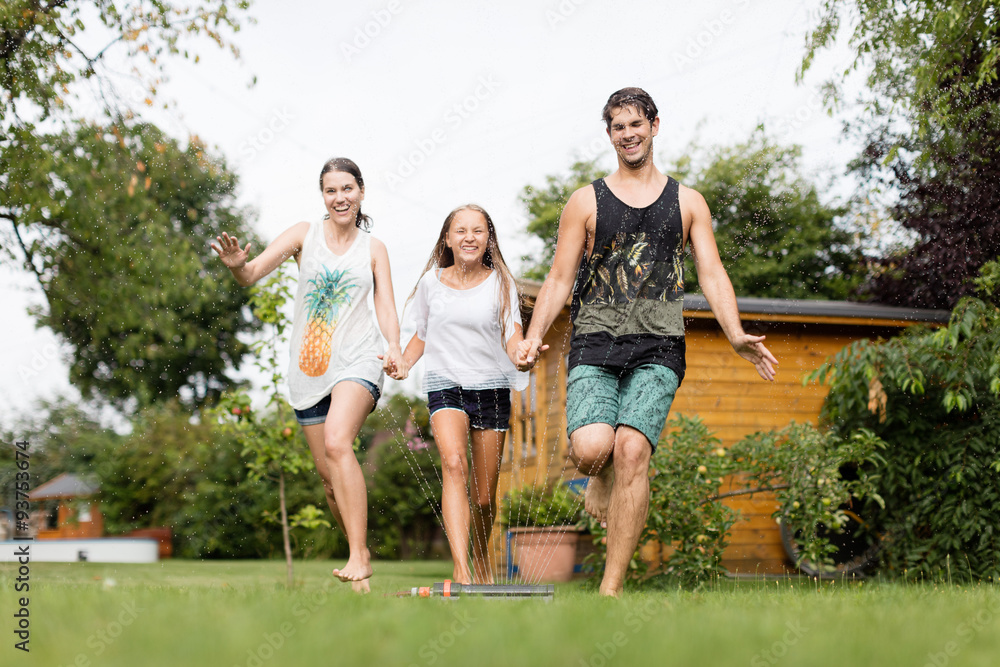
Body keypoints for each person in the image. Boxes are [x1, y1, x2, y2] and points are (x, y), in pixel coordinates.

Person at [517, 88, 778, 597]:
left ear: (655, 126)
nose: (628, 134)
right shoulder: (585, 201)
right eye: (618, 127)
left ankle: (611, 590)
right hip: (595, 340)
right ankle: (598, 473)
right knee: (594, 449)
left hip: (659, 345)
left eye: (636, 124)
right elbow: (557, 278)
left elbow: (712, 272)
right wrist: (530, 337)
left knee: (632, 450)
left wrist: (735, 333)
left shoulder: (689, 202)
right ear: (609, 134)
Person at [212, 157, 404, 593]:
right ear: (323, 195)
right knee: (330, 483)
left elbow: (386, 306)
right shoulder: (304, 234)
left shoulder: (374, 249)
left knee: (339, 440)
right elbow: (252, 273)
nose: (340, 197)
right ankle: (363, 551)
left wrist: (393, 346)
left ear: (361, 192)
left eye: (347, 189)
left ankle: (356, 556)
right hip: (308, 367)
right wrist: (237, 265)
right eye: (331, 190)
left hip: (360, 358)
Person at [399, 204, 534, 584]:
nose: (469, 237)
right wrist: (404, 364)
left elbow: (512, 336)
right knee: (454, 465)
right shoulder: (430, 283)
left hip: (491, 387)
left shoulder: (501, 282)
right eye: (461, 231)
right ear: (448, 239)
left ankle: (480, 553)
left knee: (484, 497)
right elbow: (421, 336)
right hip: (445, 384)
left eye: (478, 230)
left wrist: (521, 355)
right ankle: (462, 571)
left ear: (488, 239)